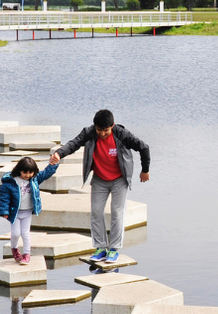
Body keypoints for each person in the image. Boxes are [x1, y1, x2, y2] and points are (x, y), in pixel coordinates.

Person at [50, 109, 149, 263]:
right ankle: (101, 248)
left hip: (119, 179)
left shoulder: (122, 134)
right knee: (96, 212)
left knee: (117, 213)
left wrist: (145, 170)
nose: (102, 134)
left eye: (106, 130)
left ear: (112, 126)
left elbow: (144, 147)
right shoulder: (89, 132)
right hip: (100, 179)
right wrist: (59, 153)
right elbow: (74, 143)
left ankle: (114, 249)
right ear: (94, 127)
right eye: (99, 130)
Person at [0, 156, 59, 264]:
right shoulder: (10, 183)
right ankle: (14, 249)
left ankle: (26, 254)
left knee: (25, 233)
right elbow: (4, 198)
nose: (28, 175)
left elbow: (45, 174)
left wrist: (53, 165)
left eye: (31, 172)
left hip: (27, 212)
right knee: (16, 233)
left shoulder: (34, 179)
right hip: (15, 213)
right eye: (25, 172)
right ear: (19, 170)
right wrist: (4, 211)